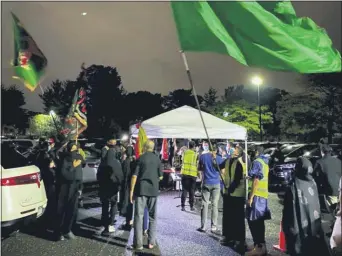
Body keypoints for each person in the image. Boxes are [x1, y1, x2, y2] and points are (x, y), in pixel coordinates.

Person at [282, 157, 330, 256]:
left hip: (298, 227)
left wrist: (287, 227)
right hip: (313, 227)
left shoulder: (294, 185)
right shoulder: (313, 183)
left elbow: (288, 210)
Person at [130, 140, 163, 250]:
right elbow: (161, 176)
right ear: (153, 148)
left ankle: (138, 244)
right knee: (153, 216)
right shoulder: (157, 159)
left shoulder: (141, 158)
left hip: (141, 191)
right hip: (153, 191)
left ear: (144, 147)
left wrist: (131, 192)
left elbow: (134, 176)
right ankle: (151, 243)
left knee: (139, 217)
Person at [54, 141, 83, 241]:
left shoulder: (78, 157)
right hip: (64, 187)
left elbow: (80, 174)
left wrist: (80, 187)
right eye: (73, 149)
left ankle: (67, 230)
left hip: (74, 187)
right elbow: (64, 173)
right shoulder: (64, 158)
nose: (75, 151)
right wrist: (72, 167)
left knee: (72, 210)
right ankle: (58, 232)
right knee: (61, 210)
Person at [220, 146, 247, 254]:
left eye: (235, 149)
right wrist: (213, 159)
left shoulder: (240, 162)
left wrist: (231, 188)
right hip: (228, 194)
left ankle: (239, 239)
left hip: (237, 194)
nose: (233, 150)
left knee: (238, 218)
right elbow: (219, 166)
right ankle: (228, 236)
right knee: (227, 216)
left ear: (239, 153)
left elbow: (237, 179)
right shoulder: (228, 160)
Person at [246, 146, 271, 256]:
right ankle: (259, 246)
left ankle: (259, 247)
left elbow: (256, 181)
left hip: (256, 196)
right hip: (263, 196)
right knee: (259, 221)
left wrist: (251, 197)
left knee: (254, 221)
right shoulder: (265, 162)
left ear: (257, 152)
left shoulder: (257, 162)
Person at [97, 141, 124, 233]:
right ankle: (111, 223)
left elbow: (98, 176)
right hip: (113, 188)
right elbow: (120, 176)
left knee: (104, 205)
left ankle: (104, 223)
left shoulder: (103, 163)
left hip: (104, 188)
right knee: (113, 205)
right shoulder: (117, 163)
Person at [197, 141, 221, 234]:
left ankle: (203, 226)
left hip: (206, 182)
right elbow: (222, 172)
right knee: (215, 205)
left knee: (204, 204)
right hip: (216, 183)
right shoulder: (219, 158)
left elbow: (199, 168)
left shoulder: (203, 157)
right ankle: (214, 227)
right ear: (215, 149)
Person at [313, 144, 342, 208]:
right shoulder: (339, 161)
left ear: (322, 151)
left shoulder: (319, 162)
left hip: (329, 194)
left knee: (331, 212)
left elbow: (314, 178)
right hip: (339, 193)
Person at [180, 141, 198, 211]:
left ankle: (183, 206)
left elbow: (182, 161)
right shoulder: (195, 154)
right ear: (194, 146)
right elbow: (197, 163)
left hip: (185, 173)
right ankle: (191, 206)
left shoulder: (184, 153)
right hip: (193, 175)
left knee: (184, 190)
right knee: (192, 191)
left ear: (188, 145)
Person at [121, 145, 136, 229]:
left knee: (126, 202)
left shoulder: (125, 162)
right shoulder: (134, 161)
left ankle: (128, 221)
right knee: (131, 202)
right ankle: (130, 220)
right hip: (133, 184)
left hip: (126, 185)